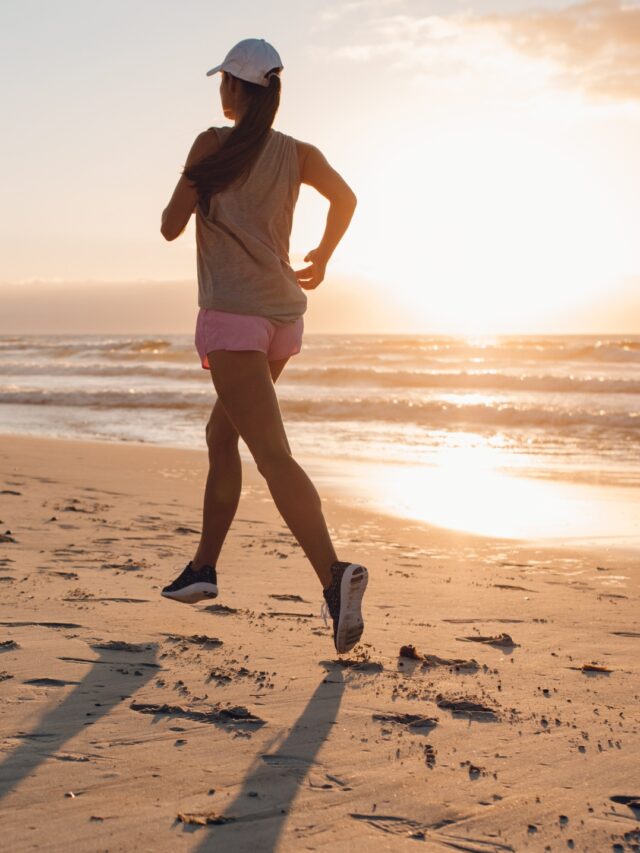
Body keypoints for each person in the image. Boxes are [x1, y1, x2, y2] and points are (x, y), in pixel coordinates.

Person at [158, 38, 368, 655]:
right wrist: (323, 257)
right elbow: (347, 199)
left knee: (272, 454)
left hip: (234, 319)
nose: (219, 90)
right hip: (282, 319)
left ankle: (336, 578)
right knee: (222, 436)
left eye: (223, 80)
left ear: (235, 89)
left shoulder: (211, 145)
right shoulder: (299, 153)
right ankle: (202, 570)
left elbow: (170, 226)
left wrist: (195, 186)